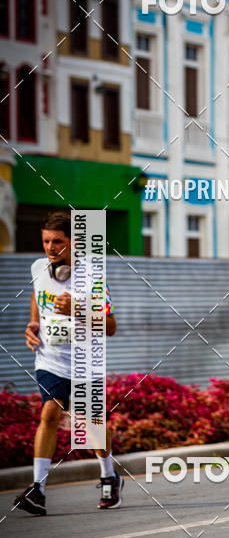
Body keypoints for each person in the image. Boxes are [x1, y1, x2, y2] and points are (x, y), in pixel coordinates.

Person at [14, 211, 123, 516]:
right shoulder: (39, 268)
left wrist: (78, 309)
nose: (50, 247)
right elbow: (38, 298)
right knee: (50, 412)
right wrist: (33, 325)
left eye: (57, 241)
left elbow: (111, 325)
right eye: (46, 241)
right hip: (50, 359)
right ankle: (38, 489)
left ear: (73, 242)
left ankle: (109, 476)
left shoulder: (93, 276)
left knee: (91, 426)